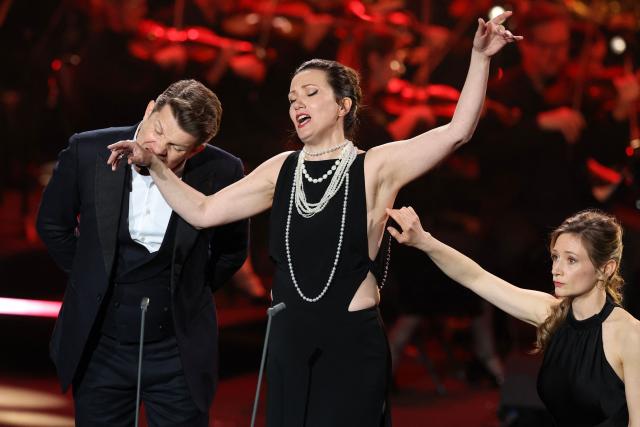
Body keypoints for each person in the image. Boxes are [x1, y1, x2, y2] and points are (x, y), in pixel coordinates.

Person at [107, 12, 520, 426]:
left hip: (351, 346)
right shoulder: (282, 168)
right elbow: (203, 210)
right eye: (291, 98)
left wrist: (480, 59)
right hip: (289, 342)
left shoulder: (375, 167)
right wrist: (157, 168)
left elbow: (457, 131)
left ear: (343, 105)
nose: (296, 103)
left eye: (309, 93)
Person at [36, 79, 248, 425]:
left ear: (197, 150)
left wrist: (189, 291)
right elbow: (52, 225)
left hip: (176, 353)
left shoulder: (223, 171)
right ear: (149, 109)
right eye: (157, 130)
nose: (158, 149)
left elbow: (232, 251)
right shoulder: (88, 150)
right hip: (101, 346)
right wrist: (91, 280)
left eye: (176, 147)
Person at [386, 206, 640, 426]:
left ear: (605, 269)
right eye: (555, 257)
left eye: (571, 260)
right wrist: (424, 241)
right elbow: (477, 278)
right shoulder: (550, 313)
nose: (556, 270)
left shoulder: (629, 334)